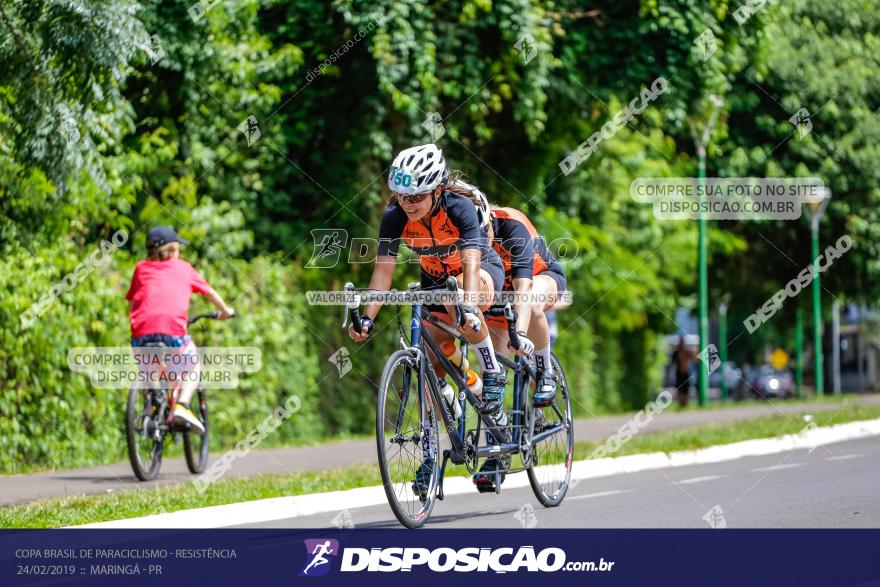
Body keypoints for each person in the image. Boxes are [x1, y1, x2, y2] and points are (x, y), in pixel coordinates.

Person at [348, 143, 508, 494]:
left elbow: (470, 264)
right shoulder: (395, 216)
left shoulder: (459, 208)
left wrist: (465, 304)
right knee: (430, 365)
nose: (408, 203)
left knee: (459, 303)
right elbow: (383, 275)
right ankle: (436, 445)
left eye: (416, 196)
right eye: (401, 196)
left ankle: (491, 369)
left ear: (436, 189)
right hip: (434, 279)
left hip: (477, 272)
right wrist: (368, 319)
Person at [126, 227, 234, 434]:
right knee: (193, 365)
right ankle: (183, 406)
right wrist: (225, 311)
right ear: (173, 250)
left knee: (150, 368)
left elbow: (133, 303)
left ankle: (154, 403)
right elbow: (209, 293)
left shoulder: (140, 268)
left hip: (140, 334)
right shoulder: (184, 268)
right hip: (172, 333)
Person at [480, 204, 567, 407]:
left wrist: (519, 333)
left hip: (540, 277)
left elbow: (524, 289)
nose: (482, 242)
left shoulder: (511, 225)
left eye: (484, 234)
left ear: (489, 222)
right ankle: (498, 429)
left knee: (533, 302)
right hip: (503, 295)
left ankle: (545, 371)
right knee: (493, 374)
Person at [671, 335, 694, 407]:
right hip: (679, 373)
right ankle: (680, 403)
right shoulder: (676, 352)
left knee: (686, 388)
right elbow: (672, 362)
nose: (681, 343)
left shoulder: (687, 352)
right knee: (679, 388)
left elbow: (694, 356)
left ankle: (685, 403)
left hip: (686, 373)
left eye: (683, 342)